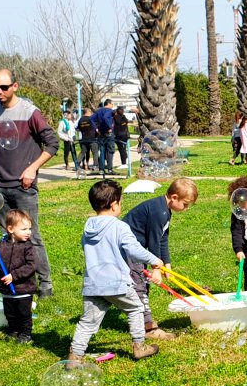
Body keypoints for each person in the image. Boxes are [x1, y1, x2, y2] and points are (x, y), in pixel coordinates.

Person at [0, 69, 58, 299]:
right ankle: (12, 281)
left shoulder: (30, 113)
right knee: (6, 236)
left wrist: (33, 168)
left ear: (15, 86)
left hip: (24, 187)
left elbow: (52, 143)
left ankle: (45, 285)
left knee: (31, 236)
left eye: (3, 87)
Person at [68, 180, 164, 362]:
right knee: (135, 308)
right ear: (114, 205)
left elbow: (84, 246)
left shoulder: (88, 227)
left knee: (87, 322)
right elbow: (134, 249)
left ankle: (74, 356)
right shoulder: (119, 226)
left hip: (93, 284)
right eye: (120, 203)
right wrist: (154, 260)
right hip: (117, 283)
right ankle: (139, 347)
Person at [123, 177, 198, 340]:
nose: (185, 209)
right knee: (139, 288)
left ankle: (139, 319)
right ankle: (147, 327)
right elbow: (154, 242)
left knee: (140, 287)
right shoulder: (158, 212)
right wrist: (156, 268)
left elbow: (163, 238)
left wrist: (167, 265)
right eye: (185, 204)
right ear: (174, 198)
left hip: (138, 251)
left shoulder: (164, 210)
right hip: (129, 252)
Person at [0, 209, 37, 343]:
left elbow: (31, 266)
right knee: (9, 312)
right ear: (10, 229)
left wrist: (13, 276)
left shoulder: (28, 246)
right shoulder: (2, 243)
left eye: (29, 228)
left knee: (24, 313)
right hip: (7, 289)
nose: (28, 232)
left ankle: (26, 334)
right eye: (24, 229)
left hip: (23, 288)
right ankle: (13, 330)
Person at [91, 98, 116, 175]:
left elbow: (91, 119)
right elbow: (105, 117)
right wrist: (110, 127)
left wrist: (96, 129)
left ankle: (101, 169)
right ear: (109, 104)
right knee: (110, 151)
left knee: (102, 151)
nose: (113, 106)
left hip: (101, 134)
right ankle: (109, 169)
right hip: (108, 134)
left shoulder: (99, 111)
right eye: (112, 104)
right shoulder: (109, 111)